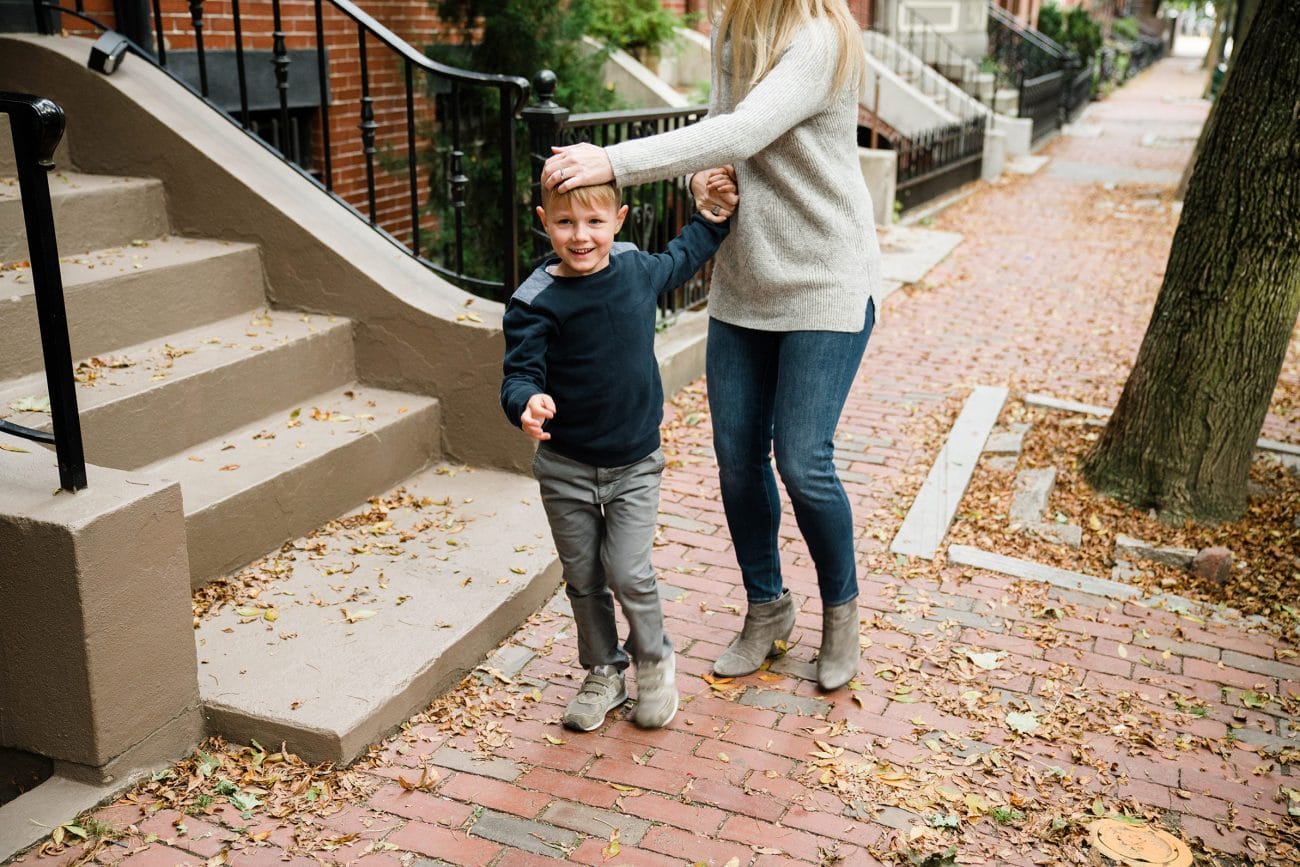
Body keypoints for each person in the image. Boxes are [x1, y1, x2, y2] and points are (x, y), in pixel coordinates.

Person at [541, 0, 881, 692]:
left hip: (824, 278)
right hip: (746, 278)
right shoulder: (734, 26)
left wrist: (610, 159)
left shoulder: (820, 38)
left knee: (805, 462)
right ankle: (767, 609)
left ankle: (841, 615)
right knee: (736, 460)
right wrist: (701, 177)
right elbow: (722, 137)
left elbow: (747, 129)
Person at [501, 177, 738, 730]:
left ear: (620, 219)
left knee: (628, 571)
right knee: (583, 576)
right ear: (544, 220)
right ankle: (604, 670)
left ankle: (653, 659)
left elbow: (684, 256)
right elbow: (520, 371)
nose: (580, 236)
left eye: (594, 222)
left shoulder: (634, 269)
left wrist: (714, 216)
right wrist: (526, 403)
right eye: (565, 223)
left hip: (634, 463)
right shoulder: (535, 301)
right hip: (565, 469)